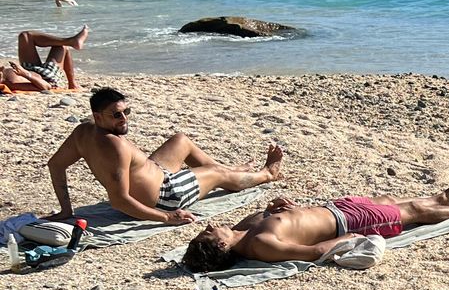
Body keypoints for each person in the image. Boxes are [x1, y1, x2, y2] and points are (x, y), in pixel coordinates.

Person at [46, 86, 283, 227]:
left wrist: (66, 210)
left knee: (181, 140)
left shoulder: (82, 132)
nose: (124, 119)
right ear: (98, 117)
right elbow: (119, 201)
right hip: (166, 196)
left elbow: (55, 165)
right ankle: (266, 174)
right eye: (116, 115)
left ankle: (231, 171)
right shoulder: (114, 146)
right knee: (217, 173)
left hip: (156, 173)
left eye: (127, 111)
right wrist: (167, 217)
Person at [182, 179, 449, 270]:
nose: (209, 226)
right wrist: (349, 237)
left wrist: (274, 208)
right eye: (208, 233)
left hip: (333, 208)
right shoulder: (259, 246)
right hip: (346, 222)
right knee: (412, 213)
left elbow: (277, 219)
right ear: (221, 245)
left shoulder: (241, 229)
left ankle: (440, 198)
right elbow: (313, 252)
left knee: (389, 200)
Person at [1, 25, 87, 92]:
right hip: (46, 77)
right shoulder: (11, 83)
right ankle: (72, 84)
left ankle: (72, 41)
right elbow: (46, 86)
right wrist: (25, 74)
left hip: (30, 68)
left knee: (25, 36)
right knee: (61, 47)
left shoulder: (2, 75)